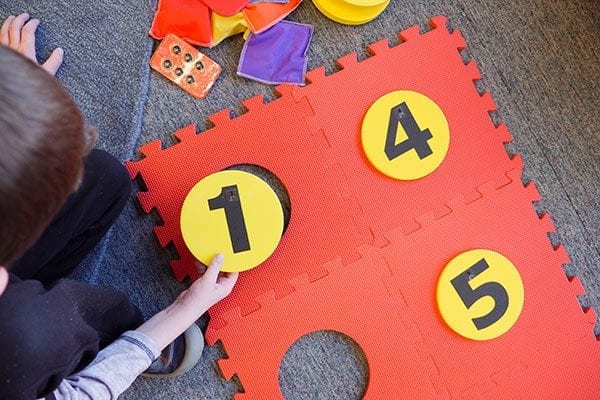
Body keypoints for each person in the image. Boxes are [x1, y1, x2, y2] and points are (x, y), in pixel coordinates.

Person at [0, 13, 239, 400]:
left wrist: (18, 97)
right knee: (48, 327)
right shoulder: (19, 350)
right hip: (19, 356)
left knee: (103, 177)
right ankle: (100, 341)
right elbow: (85, 394)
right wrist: (180, 311)